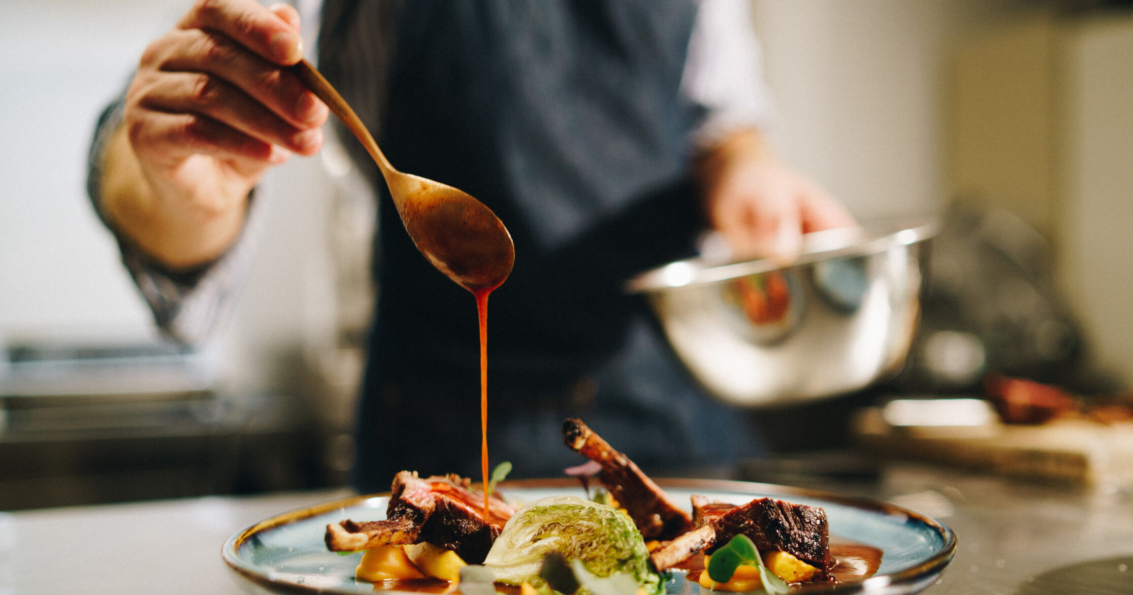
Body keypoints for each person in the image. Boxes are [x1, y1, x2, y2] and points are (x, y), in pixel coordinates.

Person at [89, 0, 854, 487]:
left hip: (675, 431)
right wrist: (173, 183)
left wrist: (746, 170)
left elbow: (720, 118)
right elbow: (164, 127)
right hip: (443, 446)